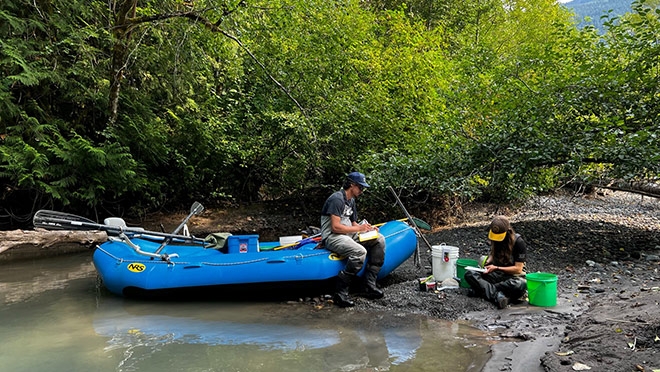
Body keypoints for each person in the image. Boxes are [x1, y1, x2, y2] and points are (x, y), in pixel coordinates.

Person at [320, 172, 386, 307]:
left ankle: (369, 285)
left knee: (380, 240)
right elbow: (335, 227)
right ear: (352, 185)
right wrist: (359, 229)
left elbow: (354, 224)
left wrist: (368, 228)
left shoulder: (352, 201)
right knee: (360, 252)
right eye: (360, 187)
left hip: (348, 233)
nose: (362, 191)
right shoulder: (336, 199)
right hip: (333, 236)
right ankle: (340, 293)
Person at [464, 215, 527, 309]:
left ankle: (482, 291)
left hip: (512, 277)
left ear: (507, 232)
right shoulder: (495, 241)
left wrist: (496, 267)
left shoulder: (518, 242)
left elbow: (518, 269)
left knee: (520, 284)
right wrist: (489, 260)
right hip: (496, 275)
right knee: (469, 274)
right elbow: (493, 254)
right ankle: (498, 296)